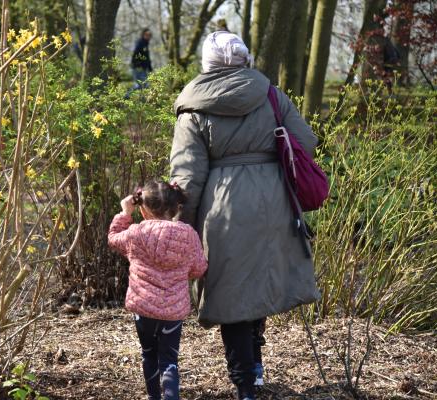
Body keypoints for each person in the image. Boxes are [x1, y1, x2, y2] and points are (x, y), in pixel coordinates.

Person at [169, 31, 320, 400]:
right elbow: (307, 141)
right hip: (273, 201)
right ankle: (254, 370)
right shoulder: (270, 94)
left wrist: (181, 226)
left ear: (207, 64)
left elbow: (187, 176)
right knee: (258, 285)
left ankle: (243, 384)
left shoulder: (194, 108)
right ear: (243, 58)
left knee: (232, 295)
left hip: (223, 209)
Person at [108, 180, 208, 400]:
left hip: (143, 308)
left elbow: (113, 239)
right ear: (175, 207)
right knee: (170, 360)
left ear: (142, 208)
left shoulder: (136, 233)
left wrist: (125, 213)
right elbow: (199, 268)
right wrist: (181, 272)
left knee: (149, 354)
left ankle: (154, 396)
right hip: (174, 311)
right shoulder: (188, 235)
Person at [126, 28, 153, 97]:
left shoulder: (145, 44)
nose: (148, 36)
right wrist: (137, 65)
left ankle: (142, 101)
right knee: (139, 85)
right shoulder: (140, 42)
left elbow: (147, 58)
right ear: (143, 34)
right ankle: (126, 96)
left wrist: (150, 68)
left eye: (149, 35)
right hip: (138, 68)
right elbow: (135, 54)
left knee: (144, 85)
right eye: (147, 34)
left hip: (143, 68)